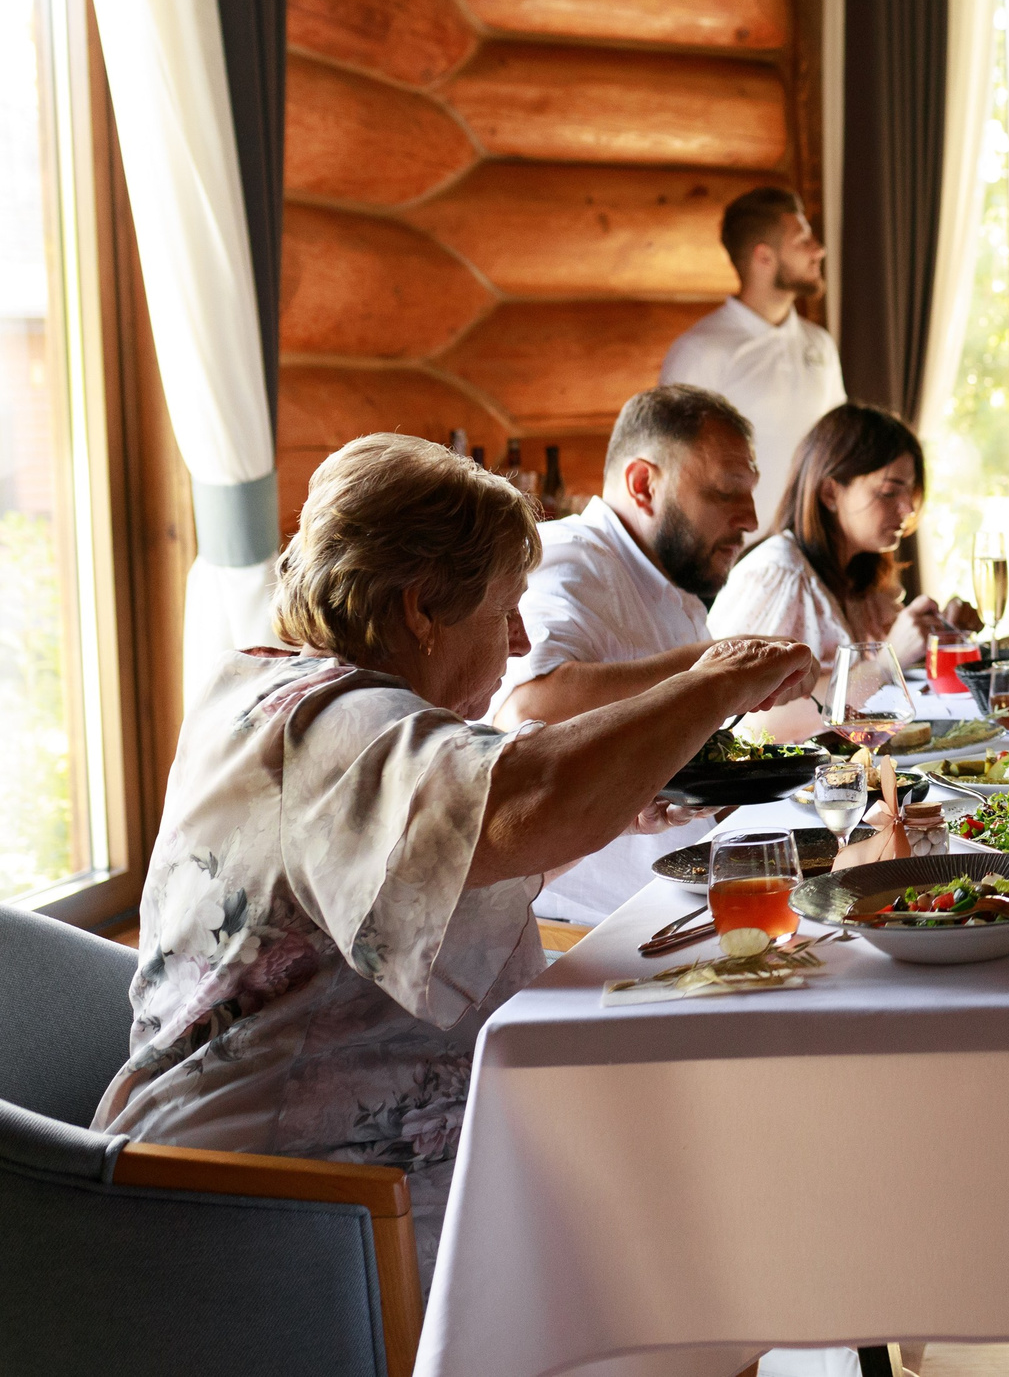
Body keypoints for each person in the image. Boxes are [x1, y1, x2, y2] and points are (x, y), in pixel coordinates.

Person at [93, 434, 814, 1282]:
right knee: (694, 1215)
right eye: (507, 608)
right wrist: (717, 678)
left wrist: (620, 809)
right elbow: (525, 795)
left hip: (303, 1171)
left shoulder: (275, 688)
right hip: (275, 1211)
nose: (518, 641)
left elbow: (408, 875)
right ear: (421, 607)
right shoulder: (332, 728)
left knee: (681, 1179)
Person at [493, 385, 776, 924]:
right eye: (726, 491)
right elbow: (529, 713)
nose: (751, 518)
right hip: (599, 933)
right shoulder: (570, 556)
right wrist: (719, 665)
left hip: (689, 901)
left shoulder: (676, 589)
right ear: (643, 484)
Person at [708, 402, 977, 739]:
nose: (907, 509)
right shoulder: (779, 574)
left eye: (910, 493)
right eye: (889, 491)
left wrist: (940, 634)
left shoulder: (861, 578)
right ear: (830, 492)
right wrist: (883, 666)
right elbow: (750, 723)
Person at [660, 186, 846, 532]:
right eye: (802, 241)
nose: (818, 250)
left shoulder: (820, 344)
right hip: (732, 562)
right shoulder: (700, 351)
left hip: (816, 554)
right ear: (764, 257)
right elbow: (673, 472)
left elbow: (839, 450)